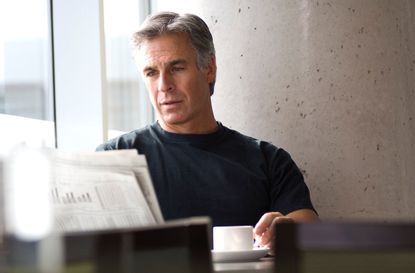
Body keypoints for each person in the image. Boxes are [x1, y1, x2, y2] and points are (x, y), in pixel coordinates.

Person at [97, 11, 318, 248]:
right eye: (151, 73)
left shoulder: (268, 160)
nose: (164, 86)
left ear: (209, 68)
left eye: (177, 68)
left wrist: (287, 230)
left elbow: (312, 231)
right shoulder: (114, 158)